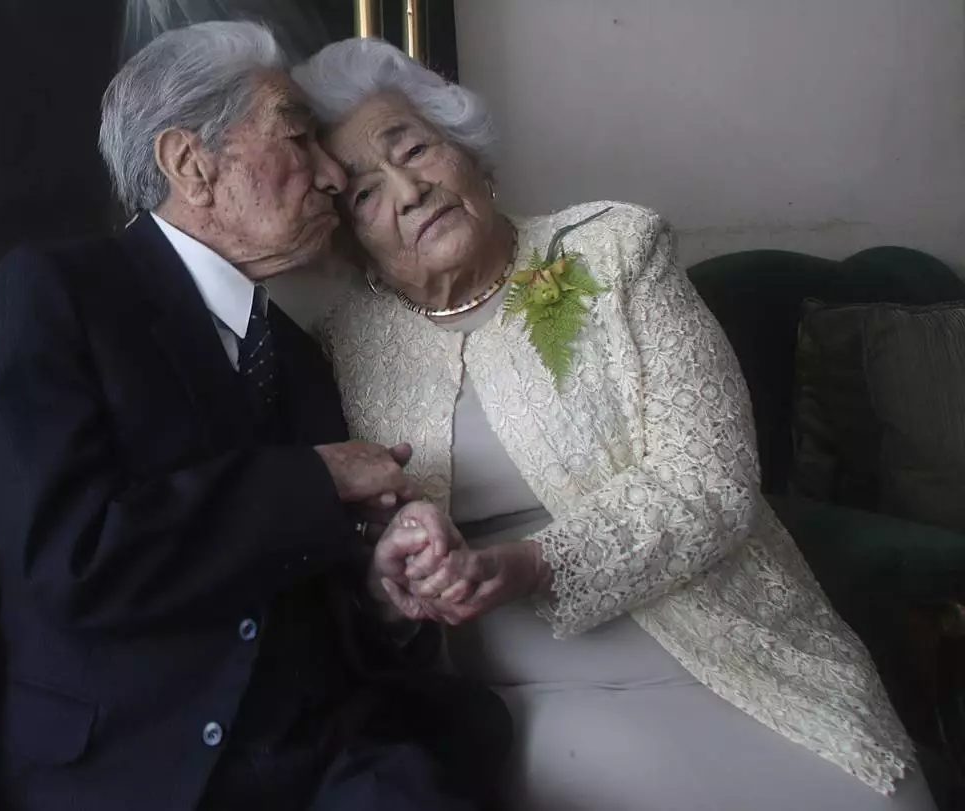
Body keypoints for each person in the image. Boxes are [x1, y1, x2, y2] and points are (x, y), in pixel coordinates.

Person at [292, 37, 939, 811]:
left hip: (724, 640)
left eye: (416, 149)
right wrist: (391, 578)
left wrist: (530, 563)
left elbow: (713, 481)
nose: (408, 190)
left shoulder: (617, 249)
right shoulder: (344, 346)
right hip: (519, 694)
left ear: (469, 153)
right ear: (351, 243)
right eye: (364, 194)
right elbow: (350, 560)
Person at [0, 22, 509, 811]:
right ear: (191, 165)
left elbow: (315, 600)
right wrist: (318, 476)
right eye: (297, 138)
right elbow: (72, 558)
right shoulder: (59, 295)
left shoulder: (298, 351)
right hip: (128, 763)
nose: (330, 175)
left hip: (321, 755)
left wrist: (384, 591)